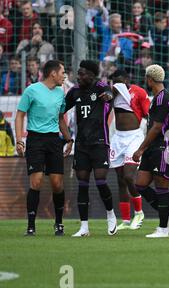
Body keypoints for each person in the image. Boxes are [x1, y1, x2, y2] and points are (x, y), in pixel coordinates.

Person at [15, 60, 73, 236]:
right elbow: (19, 116)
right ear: (53, 73)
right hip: (35, 140)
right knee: (36, 182)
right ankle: (31, 226)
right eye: (62, 72)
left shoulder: (60, 92)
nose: (64, 76)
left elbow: (60, 118)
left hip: (54, 141)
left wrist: (69, 139)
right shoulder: (31, 90)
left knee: (57, 184)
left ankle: (58, 223)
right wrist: (19, 140)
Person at [64, 60, 117, 237]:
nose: (79, 77)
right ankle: (84, 227)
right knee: (83, 184)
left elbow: (110, 93)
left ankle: (110, 215)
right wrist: (67, 137)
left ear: (92, 75)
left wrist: (108, 97)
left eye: (83, 74)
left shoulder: (100, 87)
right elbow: (60, 111)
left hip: (100, 142)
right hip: (81, 144)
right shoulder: (74, 92)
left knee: (101, 180)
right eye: (78, 73)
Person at [132, 64, 169, 238]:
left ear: (150, 80)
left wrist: (140, 149)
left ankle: (163, 229)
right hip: (154, 147)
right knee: (141, 184)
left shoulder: (163, 99)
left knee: (161, 186)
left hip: (165, 147)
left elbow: (157, 127)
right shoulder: (157, 98)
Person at [108, 69, 150, 230]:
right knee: (120, 180)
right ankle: (125, 219)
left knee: (128, 176)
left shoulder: (138, 92)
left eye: (119, 80)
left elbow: (148, 114)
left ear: (127, 78)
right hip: (118, 138)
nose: (116, 84)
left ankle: (139, 212)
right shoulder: (113, 94)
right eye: (114, 81)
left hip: (134, 137)